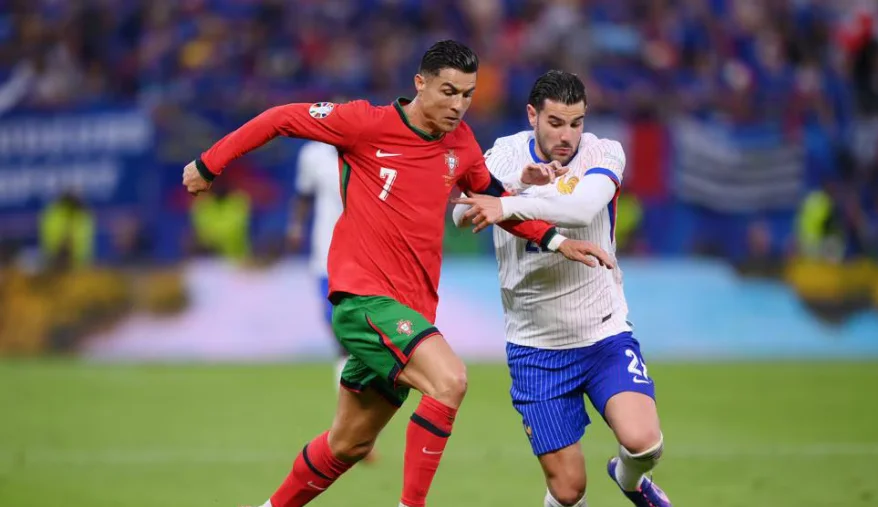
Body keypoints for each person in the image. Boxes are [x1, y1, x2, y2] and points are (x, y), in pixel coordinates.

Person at [181, 41, 610, 507]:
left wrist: (557, 240)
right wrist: (209, 164)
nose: (458, 105)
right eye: (448, 91)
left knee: (347, 445)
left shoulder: (460, 143)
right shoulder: (365, 123)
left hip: (409, 313)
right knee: (450, 381)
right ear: (419, 83)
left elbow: (494, 204)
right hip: (364, 302)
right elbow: (280, 117)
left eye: (467, 94)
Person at [453, 70, 672, 507]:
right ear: (533, 115)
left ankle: (631, 481)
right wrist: (516, 182)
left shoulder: (603, 151)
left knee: (644, 443)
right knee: (569, 491)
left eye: (576, 122)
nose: (567, 135)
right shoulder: (502, 156)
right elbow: (461, 215)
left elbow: (582, 206)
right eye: (555, 122)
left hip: (602, 332)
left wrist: (509, 201)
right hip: (536, 347)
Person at [286, 135, 379, 463]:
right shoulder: (312, 155)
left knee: (365, 345)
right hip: (326, 258)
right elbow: (303, 195)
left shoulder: (372, 148)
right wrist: (295, 227)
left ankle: (356, 431)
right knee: (343, 340)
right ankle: (351, 431)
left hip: (368, 257)